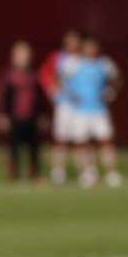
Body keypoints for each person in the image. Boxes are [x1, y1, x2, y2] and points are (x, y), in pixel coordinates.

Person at [66, 33, 122, 188]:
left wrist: (111, 91)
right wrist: (71, 94)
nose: (91, 49)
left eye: (93, 46)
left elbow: (117, 79)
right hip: (80, 111)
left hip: (99, 109)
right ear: (83, 48)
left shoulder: (104, 63)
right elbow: (60, 80)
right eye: (88, 46)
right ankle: (87, 172)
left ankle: (111, 172)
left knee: (106, 141)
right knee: (82, 143)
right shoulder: (74, 63)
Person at [0, 40, 45, 182]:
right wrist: (1, 114)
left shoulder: (34, 75)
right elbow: (2, 97)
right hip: (15, 116)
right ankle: (13, 173)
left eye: (26, 54)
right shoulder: (8, 76)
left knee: (34, 147)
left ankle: (34, 173)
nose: (24, 57)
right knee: (13, 146)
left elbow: (40, 98)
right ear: (14, 56)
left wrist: (43, 115)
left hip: (31, 117)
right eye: (20, 54)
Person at [41, 29, 81, 184]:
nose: (72, 44)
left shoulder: (83, 58)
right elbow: (47, 76)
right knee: (61, 139)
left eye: (75, 40)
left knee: (80, 140)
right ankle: (58, 170)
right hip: (64, 105)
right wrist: (55, 94)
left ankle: (84, 171)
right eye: (69, 40)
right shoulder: (58, 57)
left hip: (81, 107)